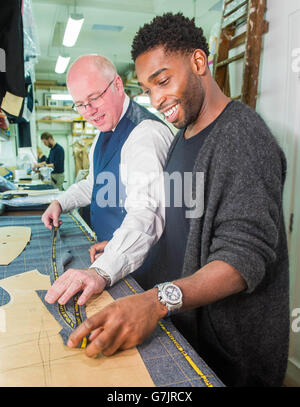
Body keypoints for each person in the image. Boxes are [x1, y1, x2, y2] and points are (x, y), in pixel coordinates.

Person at [66, 13, 290, 387]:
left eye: (163, 80)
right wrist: (139, 248)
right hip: (189, 333)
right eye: (148, 89)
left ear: (199, 62)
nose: (157, 99)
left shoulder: (243, 137)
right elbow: (184, 218)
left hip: (231, 356)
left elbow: (243, 257)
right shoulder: (183, 137)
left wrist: (155, 301)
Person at [42, 54, 173, 306]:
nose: (88, 112)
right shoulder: (103, 132)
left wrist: (101, 270)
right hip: (115, 256)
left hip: (142, 270)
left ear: (117, 85)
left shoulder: (144, 135)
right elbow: (94, 183)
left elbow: (148, 214)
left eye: (94, 98)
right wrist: (60, 202)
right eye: (80, 104)